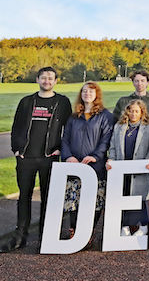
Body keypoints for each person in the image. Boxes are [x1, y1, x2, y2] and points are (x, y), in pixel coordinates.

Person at [2, 67, 71, 253]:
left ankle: (45, 236)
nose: (47, 81)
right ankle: (20, 237)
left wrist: (60, 149)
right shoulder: (27, 102)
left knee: (48, 198)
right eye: (43, 78)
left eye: (50, 78)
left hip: (49, 158)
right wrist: (17, 150)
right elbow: (16, 127)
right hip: (26, 158)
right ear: (38, 80)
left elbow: (69, 129)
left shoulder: (62, 102)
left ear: (56, 80)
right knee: (24, 197)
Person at [61, 82, 115, 247]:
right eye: (84, 91)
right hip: (75, 165)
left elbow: (106, 139)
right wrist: (68, 156)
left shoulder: (105, 116)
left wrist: (95, 156)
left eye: (91, 91)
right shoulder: (73, 116)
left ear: (97, 94)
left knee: (95, 201)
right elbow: (65, 139)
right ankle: (74, 230)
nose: (87, 94)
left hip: (95, 166)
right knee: (73, 199)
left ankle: (89, 231)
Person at [107, 99, 149, 237]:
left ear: (142, 113)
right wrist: (111, 159)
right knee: (124, 196)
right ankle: (125, 225)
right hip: (122, 168)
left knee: (139, 197)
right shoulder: (119, 126)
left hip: (140, 168)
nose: (133, 114)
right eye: (131, 111)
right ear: (127, 111)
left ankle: (143, 225)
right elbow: (113, 147)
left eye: (136, 111)